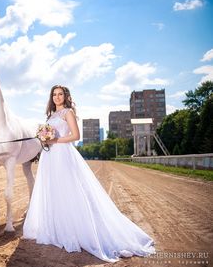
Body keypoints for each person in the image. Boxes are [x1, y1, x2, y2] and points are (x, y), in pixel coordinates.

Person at [23, 85, 155, 262]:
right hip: (50, 157)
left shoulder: (67, 113)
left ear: (66, 96)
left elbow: (75, 135)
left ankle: (74, 229)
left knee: (68, 190)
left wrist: (54, 140)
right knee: (53, 191)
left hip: (63, 155)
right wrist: (45, 140)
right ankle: (56, 228)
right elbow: (49, 136)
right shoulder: (51, 116)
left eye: (60, 94)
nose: (57, 97)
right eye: (54, 94)